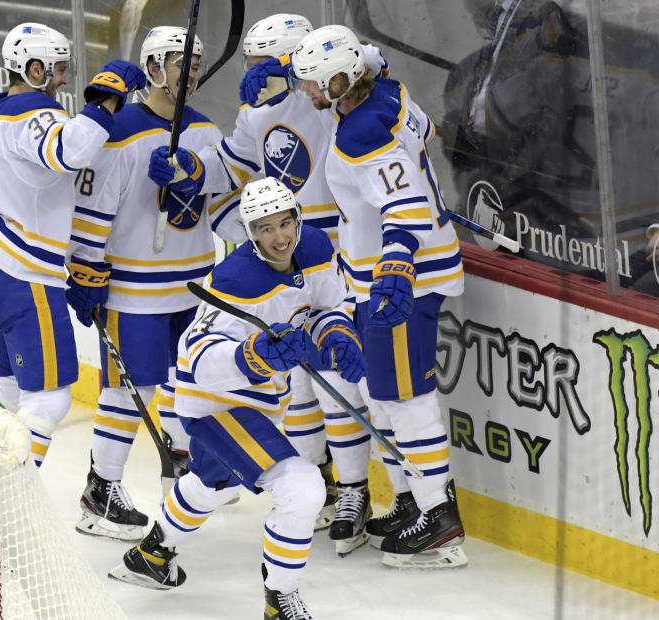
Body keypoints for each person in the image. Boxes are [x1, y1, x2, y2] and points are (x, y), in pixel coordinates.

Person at [154, 13, 391, 554]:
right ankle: (325, 483)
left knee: (345, 389)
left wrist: (295, 69)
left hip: (338, 249)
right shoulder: (256, 114)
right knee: (299, 393)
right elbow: (229, 171)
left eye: (268, 64)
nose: (256, 74)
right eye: (253, 64)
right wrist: (188, 167)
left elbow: (371, 62)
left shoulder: (328, 99)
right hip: (281, 253)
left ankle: (357, 489)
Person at [108, 177, 364, 619]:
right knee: (301, 487)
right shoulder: (235, 279)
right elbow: (198, 356)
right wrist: (254, 356)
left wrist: (337, 333)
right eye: (266, 229)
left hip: (263, 400)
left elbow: (327, 306)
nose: (280, 237)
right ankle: (279, 600)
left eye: (286, 223)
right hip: (214, 401)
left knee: (212, 482)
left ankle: (152, 554)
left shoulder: (317, 247)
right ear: (249, 233)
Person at [291, 25, 467, 569]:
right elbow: (425, 127)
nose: (306, 94)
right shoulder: (391, 93)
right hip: (390, 272)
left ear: (340, 81)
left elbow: (405, 204)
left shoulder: (359, 133)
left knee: (404, 398)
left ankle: (440, 521)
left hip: (402, 280)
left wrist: (395, 267)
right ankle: (417, 498)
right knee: (383, 392)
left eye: (312, 84)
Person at [65, 25, 244, 541]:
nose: (189, 72)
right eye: (178, 61)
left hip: (192, 287)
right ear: (151, 68)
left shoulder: (208, 132)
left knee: (193, 381)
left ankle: (186, 465)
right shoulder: (119, 134)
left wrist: (261, 241)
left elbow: (223, 209)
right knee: (131, 389)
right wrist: (86, 271)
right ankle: (101, 491)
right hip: (134, 290)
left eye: (195, 63)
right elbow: (91, 212)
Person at [0, 23, 145, 469]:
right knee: (50, 400)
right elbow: (70, 151)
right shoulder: (35, 113)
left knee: (6, 390)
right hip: (20, 276)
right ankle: (7, 508)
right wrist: (107, 100)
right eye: (57, 69)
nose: (63, 78)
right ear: (33, 69)